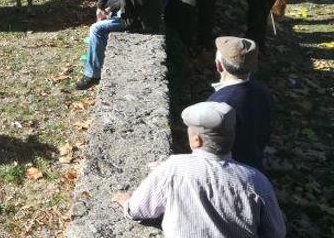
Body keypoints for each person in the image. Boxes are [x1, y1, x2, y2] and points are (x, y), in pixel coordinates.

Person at [113, 101, 286, 238]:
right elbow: (276, 232)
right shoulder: (256, 181)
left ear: (196, 140)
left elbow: (138, 210)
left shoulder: (173, 169)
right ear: (232, 137)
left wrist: (127, 202)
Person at [77, 0, 162, 90]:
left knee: (96, 29)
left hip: (140, 23)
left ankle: (92, 74)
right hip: (147, 17)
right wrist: (110, 9)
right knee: (107, 19)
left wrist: (100, 7)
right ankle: (96, 58)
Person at [207, 36, 273, 171]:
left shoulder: (218, 104)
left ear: (219, 65)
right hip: (255, 167)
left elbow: (210, 151)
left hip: (228, 173)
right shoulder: (263, 91)